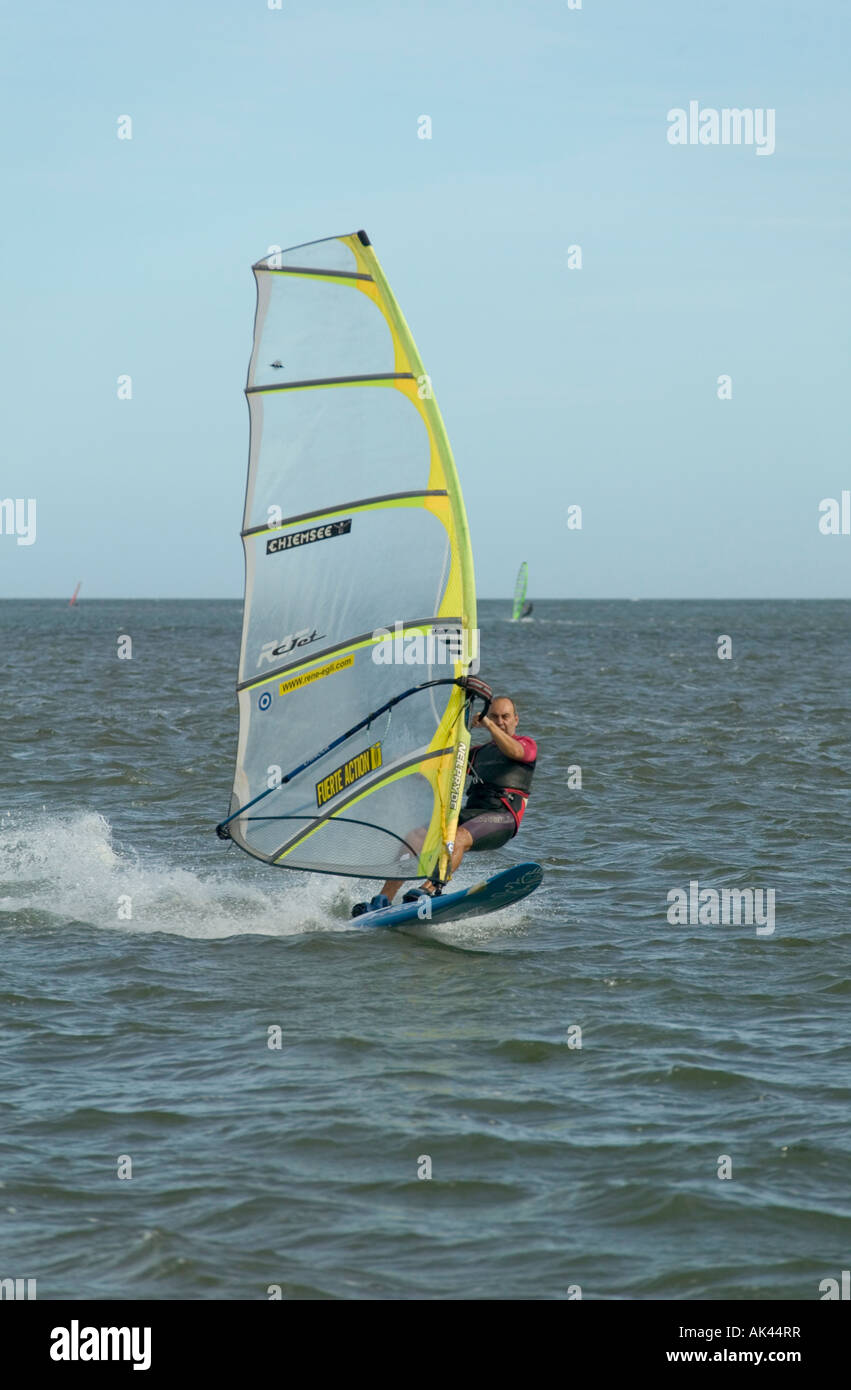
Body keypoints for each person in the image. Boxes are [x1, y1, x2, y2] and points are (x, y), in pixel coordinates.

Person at [352, 692, 536, 914]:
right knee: (415, 837)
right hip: (472, 814)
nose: (500, 721)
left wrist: (486, 722)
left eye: (505, 717)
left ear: (516, 719)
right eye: (495, 716)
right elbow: (437, 768)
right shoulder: (477, 753)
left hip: (502, 817)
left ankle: (429, 889)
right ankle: (383, 899)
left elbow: (514, 751)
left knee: (456, 838)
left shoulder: (526, 745)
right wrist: (401, 764)